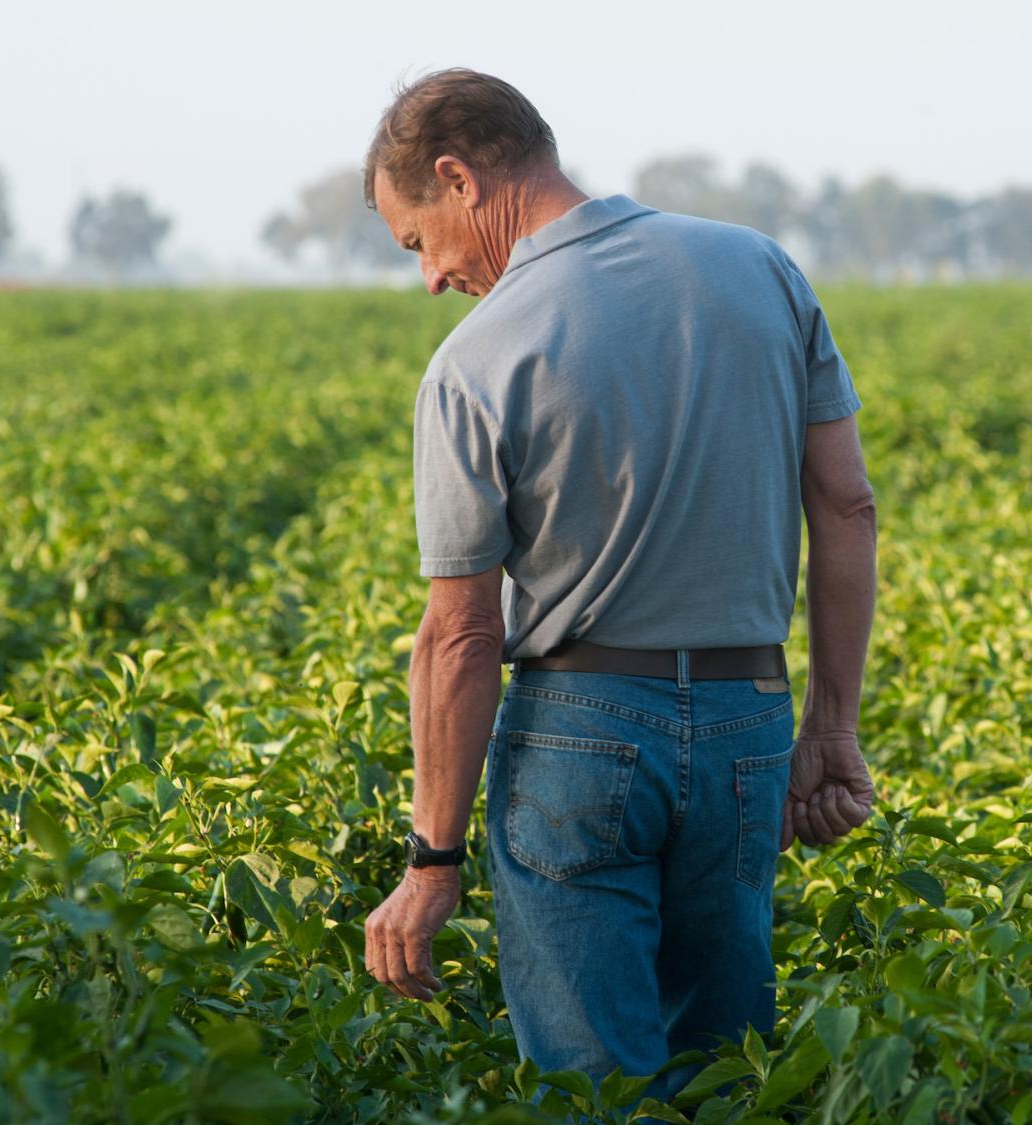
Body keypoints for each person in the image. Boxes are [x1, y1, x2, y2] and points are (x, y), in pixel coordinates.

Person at [356, 68, 880, 1108]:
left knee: (593, 1092)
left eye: (417, 242)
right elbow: (848, 507)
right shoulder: (761, 269)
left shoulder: (476, 361)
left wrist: (430, 863)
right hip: (747, 720)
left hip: (578, 738)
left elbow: (458, 637)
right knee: (731, 1074)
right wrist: (829, 728)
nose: (429, 280)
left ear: (457, 179)